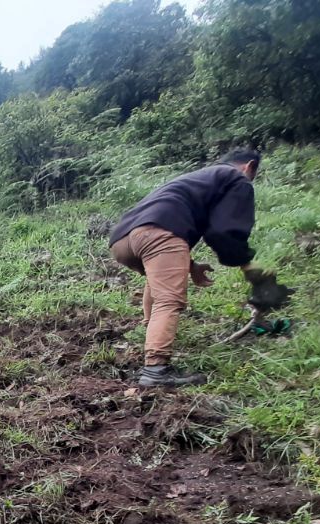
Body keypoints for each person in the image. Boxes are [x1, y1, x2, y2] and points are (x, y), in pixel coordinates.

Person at [109, 148, 287, 388]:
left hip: (122, 240)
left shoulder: (199, 179)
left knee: (157, 284)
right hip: (157, 233)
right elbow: (224, 231)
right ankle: (155, 371)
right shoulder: (237, 179)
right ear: (250, 167)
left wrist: (190, 265)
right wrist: (247, 264)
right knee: (169, 300)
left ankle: (150, 333)